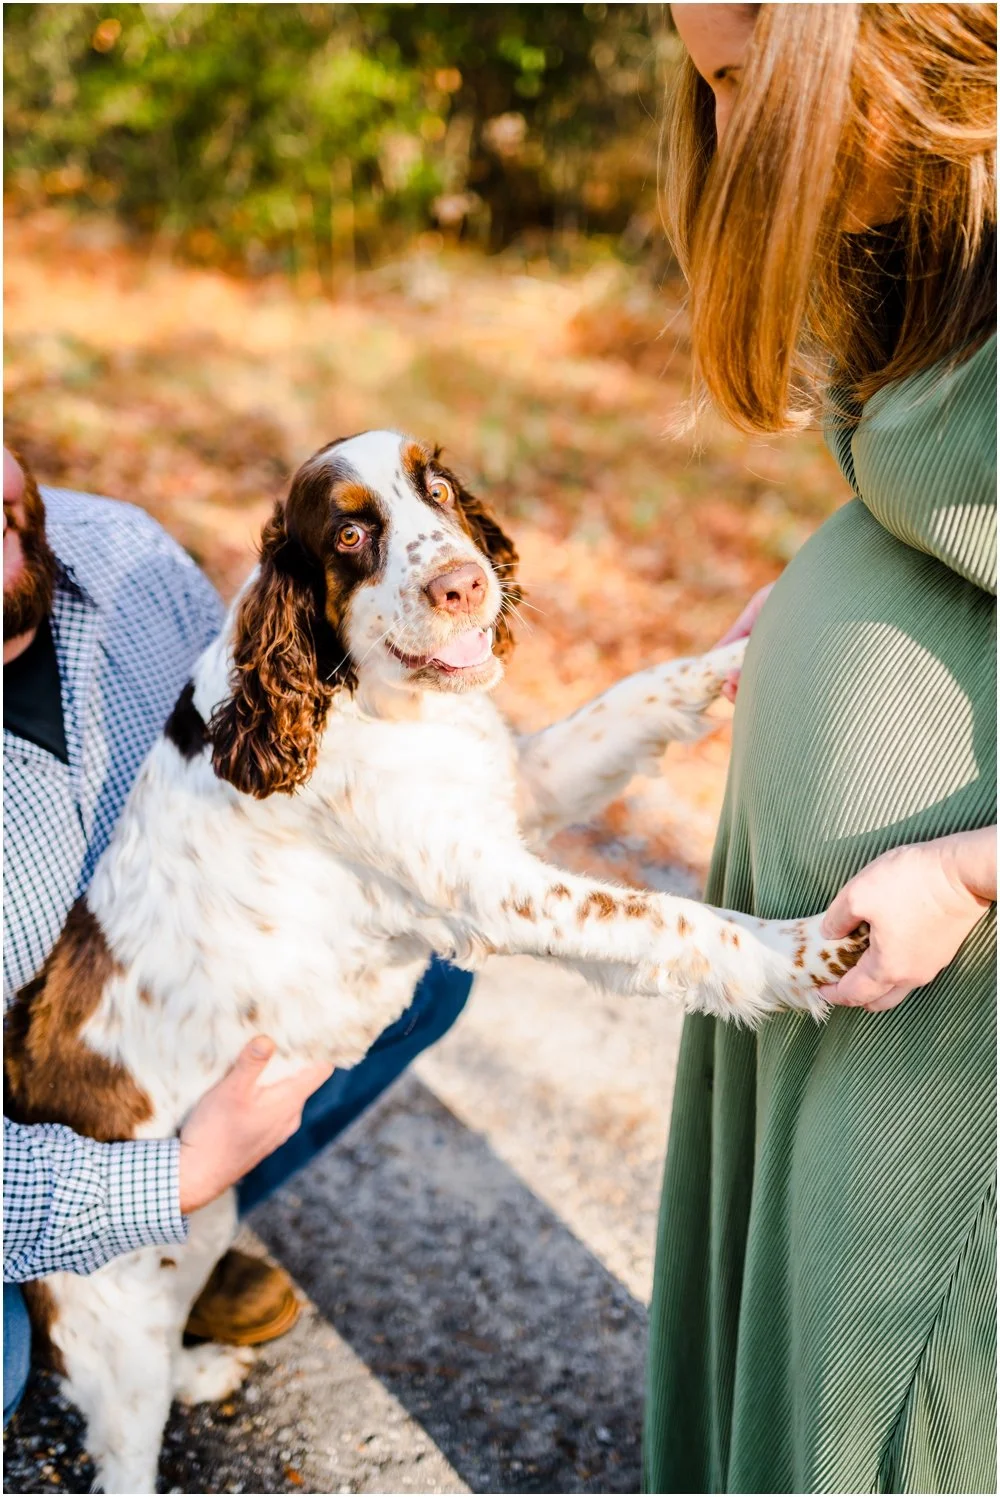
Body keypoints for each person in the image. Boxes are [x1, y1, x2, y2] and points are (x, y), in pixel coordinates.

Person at [644, 5, 996, 1493]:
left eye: (741, 80)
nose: (725, 135)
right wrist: (837, 561)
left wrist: (974, 878)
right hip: (850, 971)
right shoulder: (932, 231)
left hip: (956, 1014)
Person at [2, 447, 473, 1425]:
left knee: (422, 969)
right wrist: (161, 1178)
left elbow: (267, 744)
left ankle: (165, 1255)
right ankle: (89, 1259)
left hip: (151, 1022)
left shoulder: (116, 549)